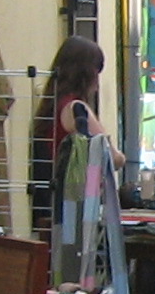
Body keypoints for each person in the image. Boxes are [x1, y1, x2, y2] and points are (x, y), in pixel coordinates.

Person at [29, 35, 104, 240]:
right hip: (72, 211)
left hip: (51, 208)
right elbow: (112, 155)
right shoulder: (75, 108)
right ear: (87, 74)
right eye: (96, 73)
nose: (98, 83)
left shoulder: (50, 106)